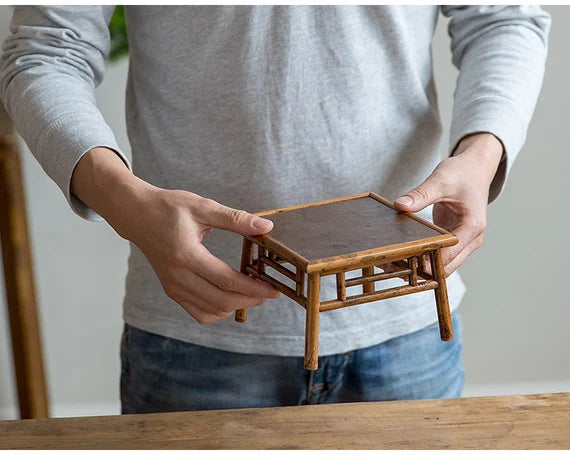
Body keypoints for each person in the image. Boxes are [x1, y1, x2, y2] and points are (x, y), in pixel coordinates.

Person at [0, 6, 550, 413]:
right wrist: (126, 202)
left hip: (407, 324)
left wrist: (482, 156)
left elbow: (503, 17)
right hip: (196, 334)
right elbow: (45, 50)